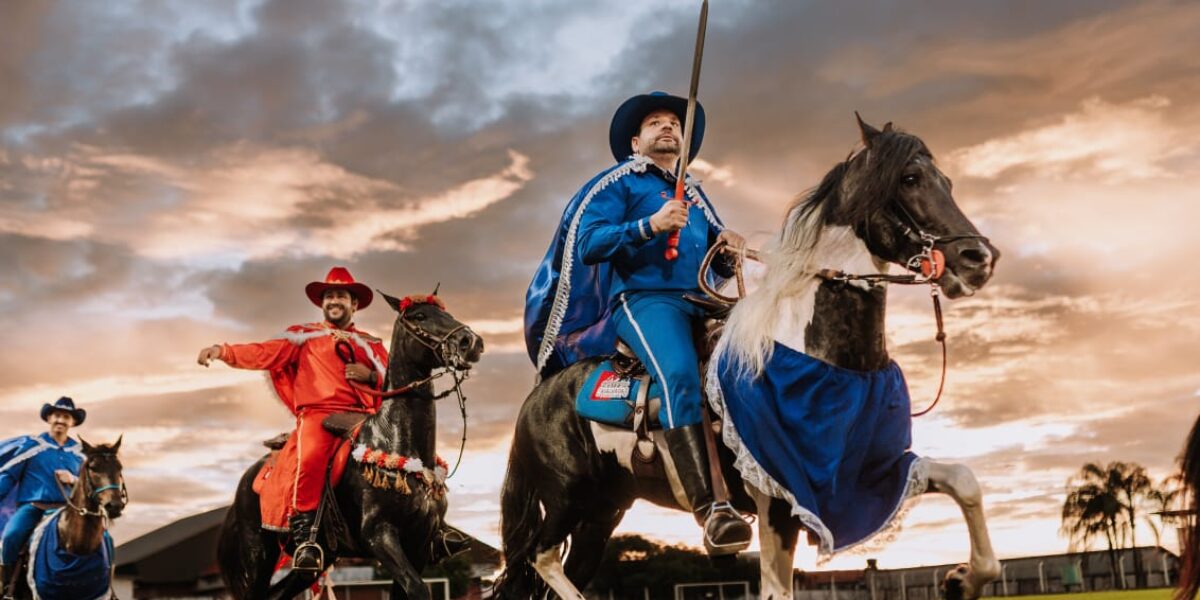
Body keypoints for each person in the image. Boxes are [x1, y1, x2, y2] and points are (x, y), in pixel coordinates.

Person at [524, 91, 752, 552]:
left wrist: (727, 251)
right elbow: (588, 243)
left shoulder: (696, 196)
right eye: (655, 123)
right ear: (635, 142)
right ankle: (710, 509)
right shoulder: (619, 183)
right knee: (680, 375)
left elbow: (712, 267)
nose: (668, 127)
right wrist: (648, 226)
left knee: (760, 356)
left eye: (673, 123)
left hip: (702, 299)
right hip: (645, 300)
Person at [197, 266, 390, 571]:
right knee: (310, 456)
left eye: (341, 295)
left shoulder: (372, 344)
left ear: (354, 304)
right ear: (322, 303)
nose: (334, 300)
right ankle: (307, 537)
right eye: (329, 296)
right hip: (319, 415)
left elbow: (393, 381)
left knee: (405, 448)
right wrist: (222, 350)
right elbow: (263, 353)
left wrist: (371, 376)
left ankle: (427, 525)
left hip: (365, 416)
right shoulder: (303, 336)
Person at [0, 397, 86, 594]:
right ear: (49, 418)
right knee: (11, 536)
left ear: (72, 422)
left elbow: (90, 487)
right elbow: (9, 476)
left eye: (66, 417)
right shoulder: (32, 446)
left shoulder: (80, 453)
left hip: (67, 511)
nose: (61, 420)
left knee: (101, 539)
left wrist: (73, 479)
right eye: (57, 415)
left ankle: (103, 587)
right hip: (34, 507)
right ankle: (6, 587)